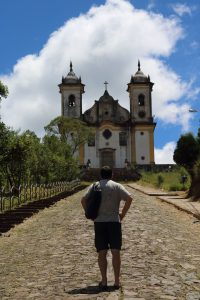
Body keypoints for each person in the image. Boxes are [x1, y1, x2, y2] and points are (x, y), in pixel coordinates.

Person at [81, 166, 132, 290]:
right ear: (112, 175)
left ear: (101, 175)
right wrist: (122, 215)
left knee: (102, 252)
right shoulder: (117, 186)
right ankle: (116, 281)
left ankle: (104, 281)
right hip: (114, 222)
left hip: (99, 223)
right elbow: (129, 198)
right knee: (116, 252)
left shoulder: (95, 185)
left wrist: (91, 215)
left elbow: (83, 200)